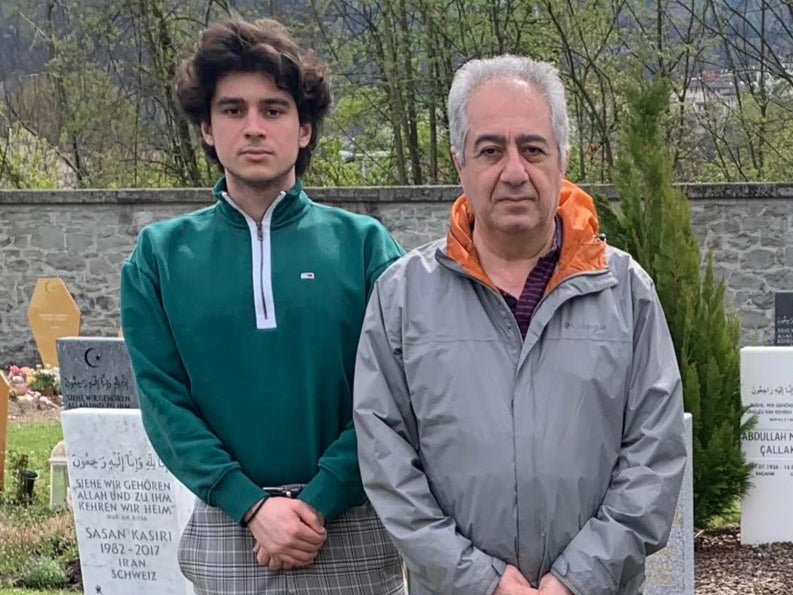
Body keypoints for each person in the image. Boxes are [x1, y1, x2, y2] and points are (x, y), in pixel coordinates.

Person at [353, 55, 686, 595]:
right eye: (490, 150)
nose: (514, 171)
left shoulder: (625, 292)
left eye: (533, 149)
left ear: (563, 160)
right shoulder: (402, 296)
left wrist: (575, 579)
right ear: (460, 162)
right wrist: (480, 581)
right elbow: (387, 461)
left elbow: (655, 453)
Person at [120, 17, 404, 595]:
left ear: (303, 130)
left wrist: (321, 497)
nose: (253, 128)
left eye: (273, 110)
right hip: (231, 529)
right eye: (233, 110)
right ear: (206, 127)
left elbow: (398, 393)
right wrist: (250, 505)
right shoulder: (159, 257)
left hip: (351, 524)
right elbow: (163, 401)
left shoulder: (366, 246)